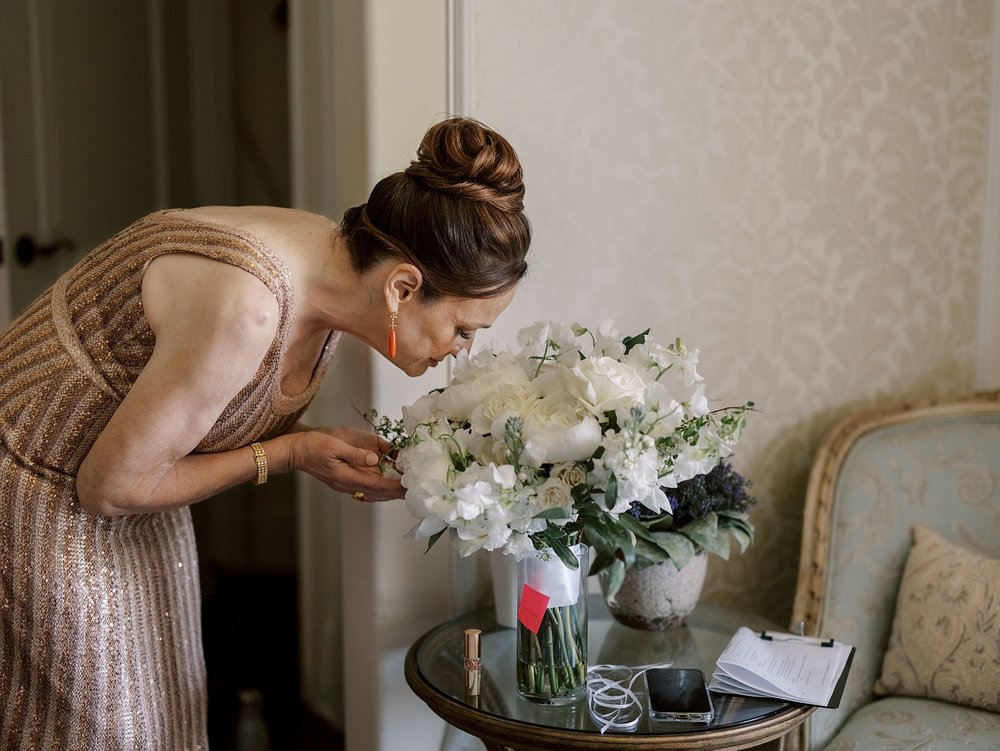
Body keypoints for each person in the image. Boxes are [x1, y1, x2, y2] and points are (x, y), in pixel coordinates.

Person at [0, 116, 530, 750]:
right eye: (464, 329)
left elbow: (196, 405)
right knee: (95, 731)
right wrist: (292, 451)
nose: (461, 352)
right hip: (38, 495)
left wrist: (307, 442)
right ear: (403, 286)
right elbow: (109, 488)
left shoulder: (329, 256)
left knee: (158, 715)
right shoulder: (247, 306)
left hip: (135, 496)